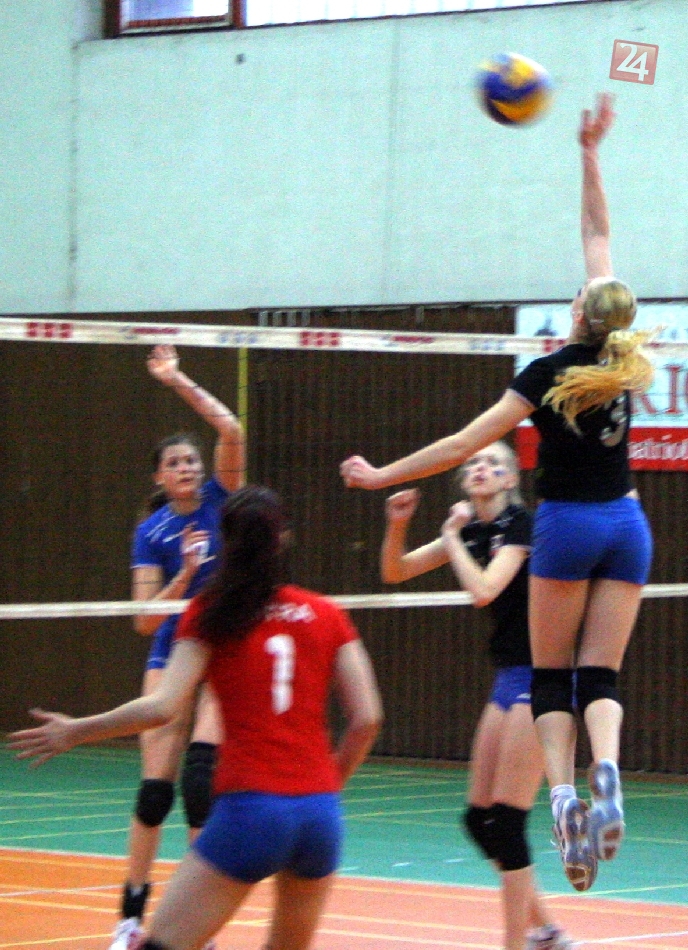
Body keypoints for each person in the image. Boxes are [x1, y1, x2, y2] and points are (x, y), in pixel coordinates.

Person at [341, 93, 655, 893]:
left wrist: (382, 475)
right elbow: (599, 237)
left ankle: (563, 796)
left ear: (578, 312)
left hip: (568, 527)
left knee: (552, 676)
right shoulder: (624, 355)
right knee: (602, 675)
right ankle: (608, 772)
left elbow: (459, 446)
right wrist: (591, 154)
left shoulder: (546, 374)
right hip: (627, 525)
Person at [10, 486, 383, 950]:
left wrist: (76, 731)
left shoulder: (212, 613)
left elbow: (162, 707)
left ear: (225, 542)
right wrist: (327, 786)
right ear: (282, 539)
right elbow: (367, 718)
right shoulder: (325, 613)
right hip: (319, 815)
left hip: (251, 811)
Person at [381, 443, 571, 950]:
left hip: (545, 674)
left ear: (510, 480)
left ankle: (520, 942)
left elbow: (486, 588)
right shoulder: (471, 532)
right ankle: (547, 931)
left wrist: (449, 537)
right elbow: (395, 571)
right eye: (473, 463)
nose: (480, 468)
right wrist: (399, 524)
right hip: (509, 675)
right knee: (478, 818)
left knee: (507, 820)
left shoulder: (522, 525)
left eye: (493, 463)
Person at [116, 343, 247, 949]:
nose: (188, 467)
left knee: (201, 787)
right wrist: (186, 574)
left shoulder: (223, 498)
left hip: (221, 650)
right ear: (160, 477)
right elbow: (145, 620)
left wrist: (176, 379)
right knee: (154, 795)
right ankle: (130, 917)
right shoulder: (152, 532)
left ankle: (201, 926)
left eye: (192, 459)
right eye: (175, 462)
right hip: (172, 650)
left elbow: (230, 428)